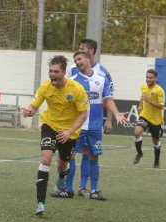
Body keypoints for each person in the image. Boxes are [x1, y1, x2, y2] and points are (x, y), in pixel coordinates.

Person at [51, 51, 127, 200]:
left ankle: (94, 191)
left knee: (94, 156)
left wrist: (116, 114)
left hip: (94, 126)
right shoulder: (72, 81)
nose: (77, 62)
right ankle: (67, 189)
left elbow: (108, 99)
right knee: (70, 156)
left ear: (87, 60)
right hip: (77, 125)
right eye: (75, 60)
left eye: (79, 59)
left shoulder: (101, 79)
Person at [22, 55, 89, 216]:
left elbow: (83, 115)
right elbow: (34, 105)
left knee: (62, 164)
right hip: (49, 126)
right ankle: (40, 203)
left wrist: (69, 132)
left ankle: (62, 176)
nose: (52, 74)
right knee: (45, 159)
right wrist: (30, 111)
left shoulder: (76, 89)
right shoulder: (45, 87)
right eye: (50, 71)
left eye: (56, 71)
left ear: (64, 72)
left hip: (69, 131)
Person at [65, 38, 116, 197]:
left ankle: (84, 187)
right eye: (79, 49)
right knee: (72, 153)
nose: (79, 51)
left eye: (83, 49)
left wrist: (108, 119)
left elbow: (108, 97)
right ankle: (68, 187)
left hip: (94, 122)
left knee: (90, 153)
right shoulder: (73, 70)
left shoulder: (103, 72)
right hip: (77, 122)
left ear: (91, 52)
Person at [133, 69, 166, 168]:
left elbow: (161, 106)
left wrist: (149, 100)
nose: (148, 79)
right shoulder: (143, 87)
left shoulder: (159, 90)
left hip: (156, 120)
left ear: (155, 78)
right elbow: (143, 97)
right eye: (147, 77)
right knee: (137, 132)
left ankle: (156, 160)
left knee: (155, 141)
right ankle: (139, 153)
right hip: (145, 115)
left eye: (151, 77)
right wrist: (140, 106)